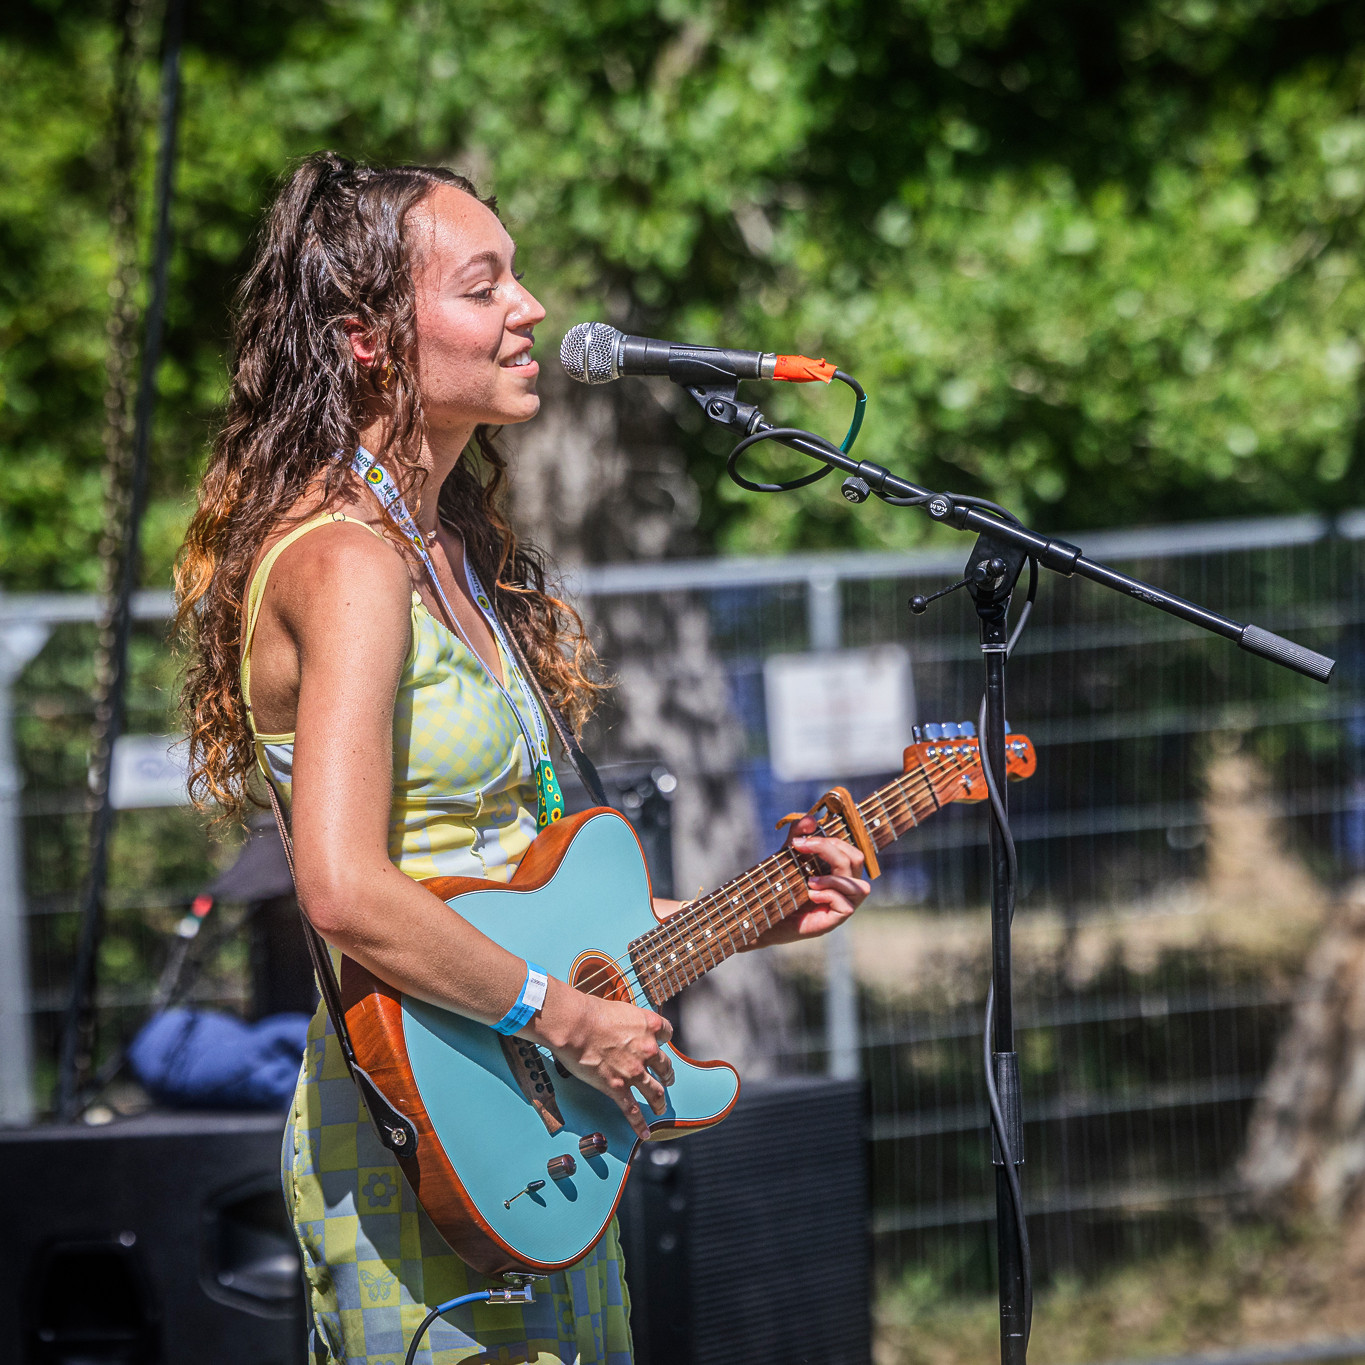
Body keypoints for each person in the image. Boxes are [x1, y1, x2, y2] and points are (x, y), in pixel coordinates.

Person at [176, 151, 871, 1365]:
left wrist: (747, 914)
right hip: (420, 1124)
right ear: (367, 340)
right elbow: (342, 890)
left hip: (531, 1122)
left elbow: (521, 898)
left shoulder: (450, 554)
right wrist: (564, 1020)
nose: (531, 308)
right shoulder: (345, 563)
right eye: (483, 285)